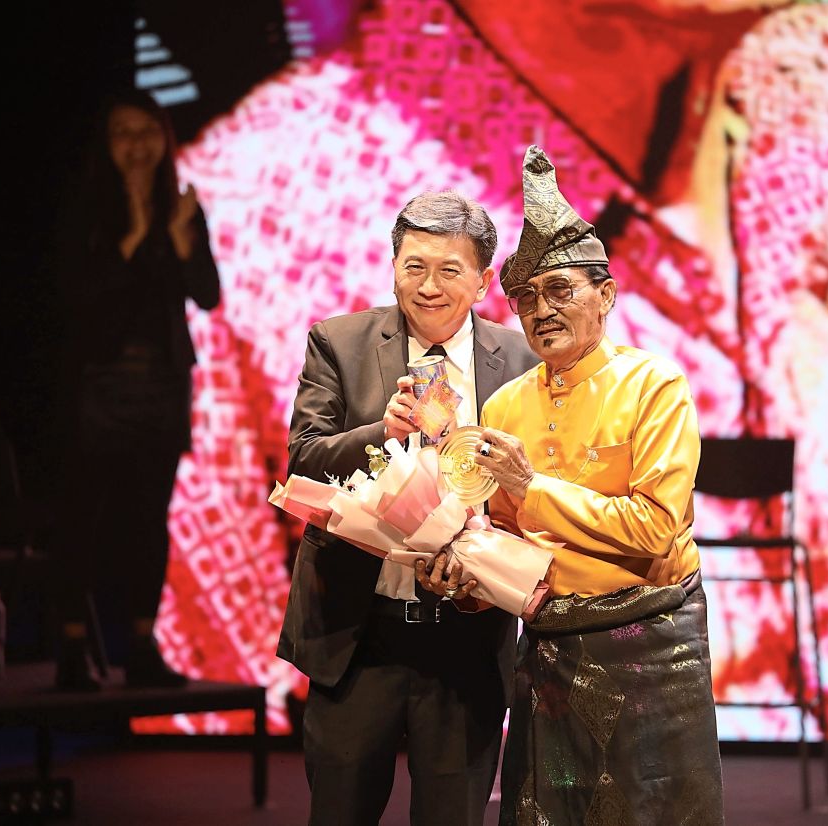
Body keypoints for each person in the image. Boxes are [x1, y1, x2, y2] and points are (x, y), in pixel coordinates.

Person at [424, 146, 725, 824]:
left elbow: (653, 529)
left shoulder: (656, 386)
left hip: (648, 644)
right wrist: (464, 578)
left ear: (606, 294)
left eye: (560, 290)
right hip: (551, 653)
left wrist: (534, 488)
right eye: (526, 297)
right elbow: (504, 545)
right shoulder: (505, 408)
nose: (541, 310)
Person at [278, 189, 539, 826]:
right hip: (357, 633)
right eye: (413, 266)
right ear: (393, 265)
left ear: (482, 281)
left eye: (450, 270)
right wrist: (381, 435)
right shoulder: (338, 342)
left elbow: (534, 495)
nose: (428, 286)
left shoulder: (523, 363)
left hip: (467, 643)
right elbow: (303, 463)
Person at [55, 89, 221, 691]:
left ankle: (143, 645)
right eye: (124, 132)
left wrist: (178, 238)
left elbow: (206, 292)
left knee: (148, 517)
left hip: (160, 382)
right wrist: (136, 227)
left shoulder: (179, 205)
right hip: (99, 381)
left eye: (146, 130)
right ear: (108, 142)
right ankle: (73, 648)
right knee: (86, 516)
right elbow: (81, 292)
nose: (136, 144)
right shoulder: (90, 207)